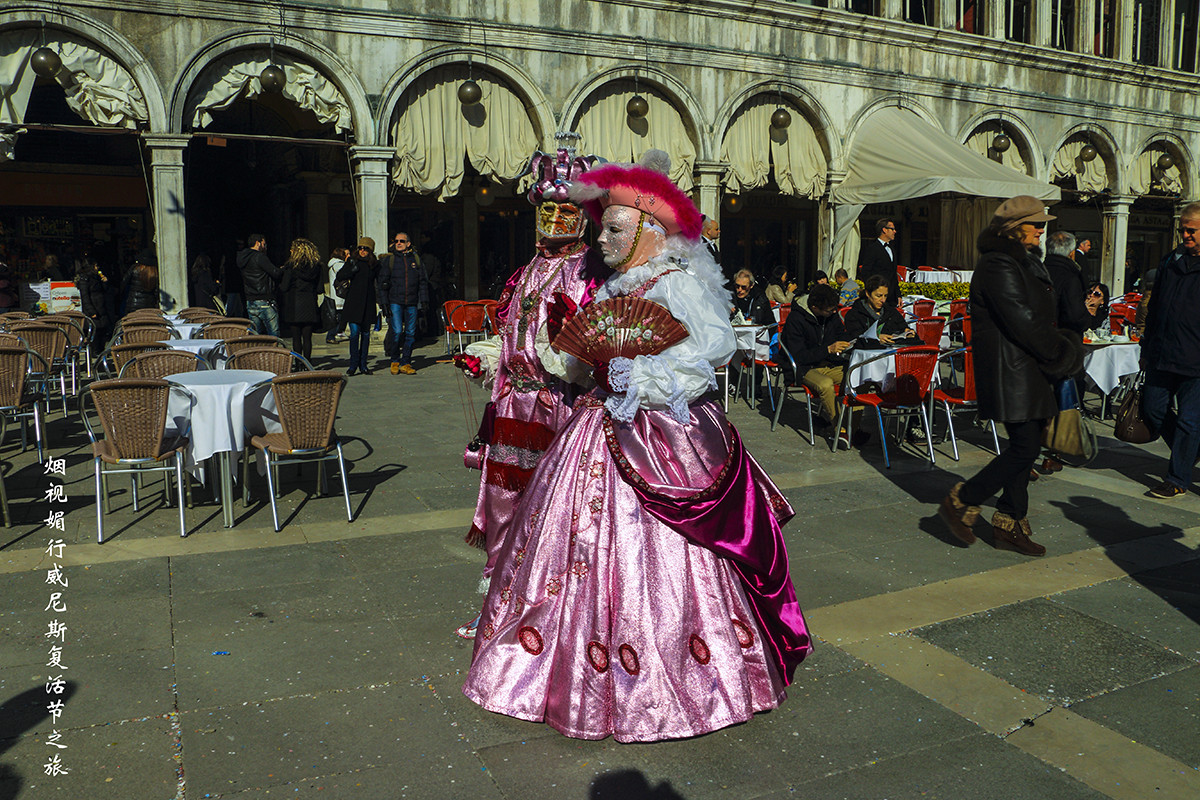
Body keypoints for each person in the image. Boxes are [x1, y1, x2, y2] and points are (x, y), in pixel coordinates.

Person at [462, 151, 812, 743]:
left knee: (666, 550)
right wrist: (567, 356)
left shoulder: (676, 284)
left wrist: (639, 377)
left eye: (615, 229)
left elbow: (713, 351)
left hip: (664, 436)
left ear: (650, 230)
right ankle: (559, 665)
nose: (602, 240)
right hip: (595, 427)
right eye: (603, 229)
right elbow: (581, 359)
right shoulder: (613, 289)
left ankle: (680, 677)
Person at [452, 143, 609, 638]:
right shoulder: (525, 271)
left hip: (560, 407)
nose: (556, 219)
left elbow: (597, 352)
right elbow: (511, 334)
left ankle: (551, 610)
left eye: (567, 211)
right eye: (547, 210)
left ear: (583, 218)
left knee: (555, 511)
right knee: (503, 506)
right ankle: (497, 605)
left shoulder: (592, 274)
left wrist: (570, 345)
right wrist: (485, 357)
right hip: (511, 408)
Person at [938, 196, 1082, 556]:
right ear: (1015, 229)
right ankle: (962, 499)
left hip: (1028, 367)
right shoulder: (997, 263)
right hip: (1012, 370)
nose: (1042, 229)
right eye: (1036, 224)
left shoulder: (1023, 260)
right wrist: (1061, 351)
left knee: (1027, 446)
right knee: (1025, 448)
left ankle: (1009, 522)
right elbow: (1022, 320)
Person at [1138, 202, 1200, 499]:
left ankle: (1177, 478)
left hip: (1196, 359)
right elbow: (1155, 306)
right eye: (1183, 230)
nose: (1186, 235)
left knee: (1190, 420)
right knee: (1152, 409)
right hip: (1162, 353)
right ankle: (1189, 451)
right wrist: (1146, 346)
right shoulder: (1170, 261)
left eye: (1192, 231)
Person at [779, 282, 853, 441]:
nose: (834, 312)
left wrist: (849, 342)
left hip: (827, 363)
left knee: (856, 377)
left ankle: (851, 426)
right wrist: (828, 349)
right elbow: (799, 356)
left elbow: (841, 333)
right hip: (803, 368)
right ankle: (839, 429)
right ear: (814, 308)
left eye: (834, 309)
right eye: (829, 310)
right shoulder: (796, 319)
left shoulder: (831, 315)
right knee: (825, 384)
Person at [379, 232, 427, 375]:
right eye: (396, 241)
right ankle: (395, 359)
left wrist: (424, 300)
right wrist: (384, 303)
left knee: (411, 333)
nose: (398, 243)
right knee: (397, 331)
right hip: (395, 301)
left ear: (408, 244)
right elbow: (382, 284)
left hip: (411, 301)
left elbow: (422, 282)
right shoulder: (390, 260)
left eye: (402, 241)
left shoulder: (416, 259)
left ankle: (406, 362)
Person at [336, 237, 380, 375]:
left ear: (370, 250)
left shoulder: (374, 264)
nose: (362, 251)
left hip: (368, 303)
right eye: (360, 248)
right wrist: (351, 270)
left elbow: (379, 281)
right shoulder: (352, 261)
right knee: (354, 334)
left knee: (366, 335)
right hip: (354, 303)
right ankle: (353, 364)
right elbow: (340, 276)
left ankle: (363, 364)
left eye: (365, 248)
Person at [1045, 231, 1101, 335]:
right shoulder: (1069, 277)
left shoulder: (1039, 271)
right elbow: (1075, 316)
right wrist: (1087, 320)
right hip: (1062, 336)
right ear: (1071, 253)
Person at [843, 274, 916, 345]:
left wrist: (908, 332)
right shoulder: (854, 314)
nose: (883, 300)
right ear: (868, 294)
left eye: (885, 296)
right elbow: (854, 338)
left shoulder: (891, 312)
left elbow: (903, 327)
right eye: (879, 296)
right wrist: (876, 338)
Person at [280, 238, 322, 361]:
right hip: (309, 303)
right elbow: (320, 288)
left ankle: (298, 363)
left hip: (294, 303)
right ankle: (307, 362)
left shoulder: (291, 267)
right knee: (307, 337)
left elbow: (284, 287)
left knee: (296, 337)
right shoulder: (317, 266)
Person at [238, 234, 283, 336]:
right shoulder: (260, 257)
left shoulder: (242, 258)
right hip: (265, 299)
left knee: (255, 334)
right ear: (258, 243)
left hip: (250, 299)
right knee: (273, 333)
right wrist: (283, 269)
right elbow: (275, 273)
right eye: (264, 244)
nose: (265, 246)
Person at [857, 218, 899, 307]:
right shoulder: (872, 248)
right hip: (877, 296)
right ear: (884, 230)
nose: (895, 231)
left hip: (891, 297)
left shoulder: (892, 249)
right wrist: (873, 291)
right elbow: (866, 272)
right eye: (892, 229)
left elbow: (893, 274)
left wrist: (898, 295)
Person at [74, 255, 112, 352]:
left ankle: (100, 350)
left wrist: (105, 282)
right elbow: (84, 297)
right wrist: (91, 311)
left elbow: (104, 290)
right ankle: (95, 351)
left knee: (103, 330)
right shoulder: (84, 279)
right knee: (95, 332)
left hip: (101, 307)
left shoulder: (96, 277)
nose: (97, 268)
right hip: (94, 308)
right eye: (95, 266)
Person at [325, 247, 348, 343]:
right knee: (339, 318)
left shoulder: (332, 265)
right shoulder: (339, 265)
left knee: (337, 317)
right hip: (340, 295)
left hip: (335, 294)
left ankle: (333, 334)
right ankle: (331, 335)